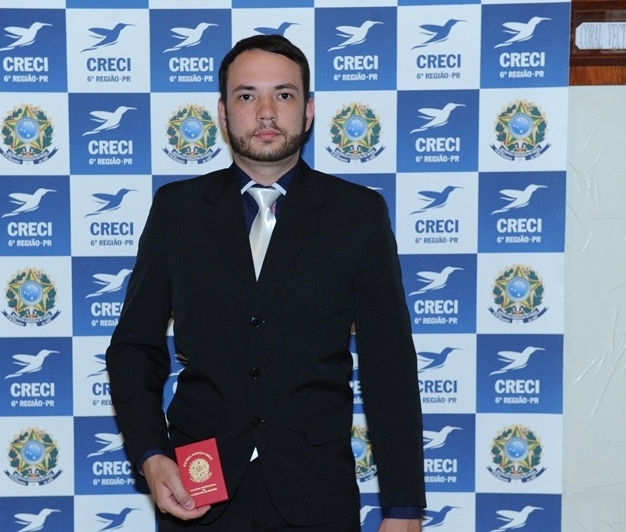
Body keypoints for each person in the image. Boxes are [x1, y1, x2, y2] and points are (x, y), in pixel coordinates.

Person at [106, 34, 426, 531]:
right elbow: (133, 348)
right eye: (247, 95)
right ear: (223, 112)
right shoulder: (177, 211)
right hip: (197, 488)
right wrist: (151, 453)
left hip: (317, 491)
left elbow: (390, 362)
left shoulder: (357, 214)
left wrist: (403, 505)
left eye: (284, 94)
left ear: (309, 110)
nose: (267, 112)